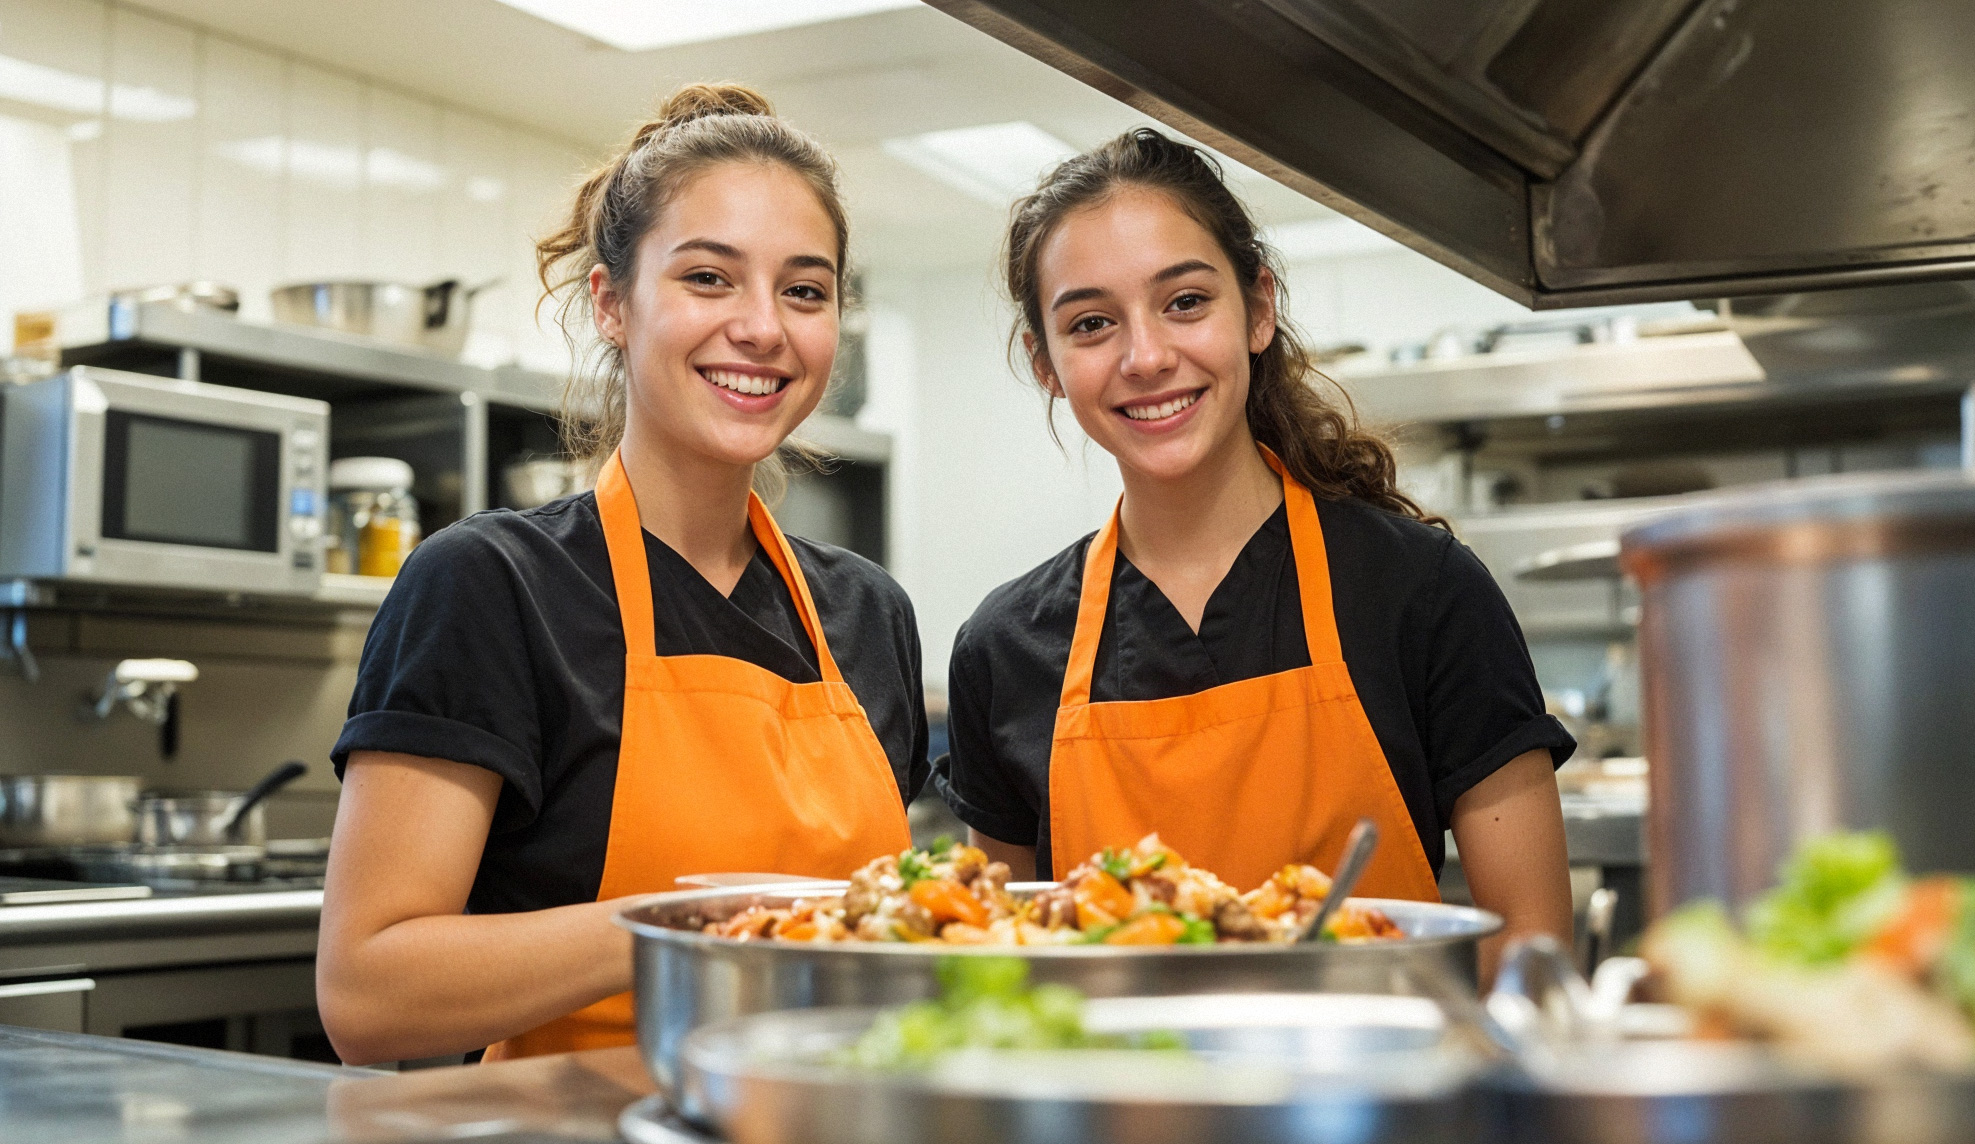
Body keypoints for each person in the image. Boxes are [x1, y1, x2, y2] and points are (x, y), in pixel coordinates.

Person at [316, 83, 925, 1064]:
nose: (763, 327)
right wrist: (703, 928)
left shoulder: (866, 611)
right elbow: (368, 993)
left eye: (804, 291)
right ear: (611, 303)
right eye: (708, 278)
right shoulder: (489, 586)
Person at [936, 129, 1573, 976]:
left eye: (1185, 302)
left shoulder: (1421, 591)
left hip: (1383, 1064)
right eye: (1091, 324)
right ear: (1045, 363)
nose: (1146, 356)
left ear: (1259, 309)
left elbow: (1530, 950)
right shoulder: (1004, 648)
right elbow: (1001, 970)